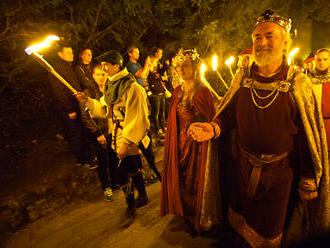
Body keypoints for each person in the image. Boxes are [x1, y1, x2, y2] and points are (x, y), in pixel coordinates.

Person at [188, 10, 329, 247]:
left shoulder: (298, 83)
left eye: (269, 36)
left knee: (271, 231)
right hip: (241, 170)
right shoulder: (242, 77)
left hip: (280, 177)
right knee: (238, 225)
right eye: (256, 37)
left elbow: (307, 136)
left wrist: (308, 178)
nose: (261, 42)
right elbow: (229, 116)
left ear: (285, 43)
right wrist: (213, 128)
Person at [75, 50, 150, 217]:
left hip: (128, 136)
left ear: (116, 66)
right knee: (123, 171)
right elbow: (103, 108)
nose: (103, 68)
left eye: (106, 65)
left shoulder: (132, 88)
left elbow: (138, 118)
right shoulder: (112, 85)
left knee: (130, 168)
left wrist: (126, 142)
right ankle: (132, 200)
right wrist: (87, 100)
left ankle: (139, 198)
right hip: (115, 136)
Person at [160, 48, 216, 233]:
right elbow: (173, 117)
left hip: (197, 145)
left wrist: (199, 124)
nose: (181, 70)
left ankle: (197, 215)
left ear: (195, 68)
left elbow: (208, 117)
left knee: (195, 179)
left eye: (185, 66)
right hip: (179, 142)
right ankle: (182, 211)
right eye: (178, 66)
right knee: (181, 177)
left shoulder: (202, 92)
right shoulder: (177, 90)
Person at [48, 42, 94, 168]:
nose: (71, 54)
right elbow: (58, 91)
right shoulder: (56, 69)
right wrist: (69, 109)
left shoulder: (69, 67)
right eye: (68, 52)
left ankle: (88, 155)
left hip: (77, 105)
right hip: (69, 109)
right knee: (75, 134)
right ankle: (82, 160)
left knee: (82, 131)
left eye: (72, 52)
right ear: (60, 54)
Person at [309, 48, 330, 149]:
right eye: (319, 60)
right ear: (315, 61)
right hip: (314, 128)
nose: (322, 62)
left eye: (325, 59)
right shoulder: (308, 81)